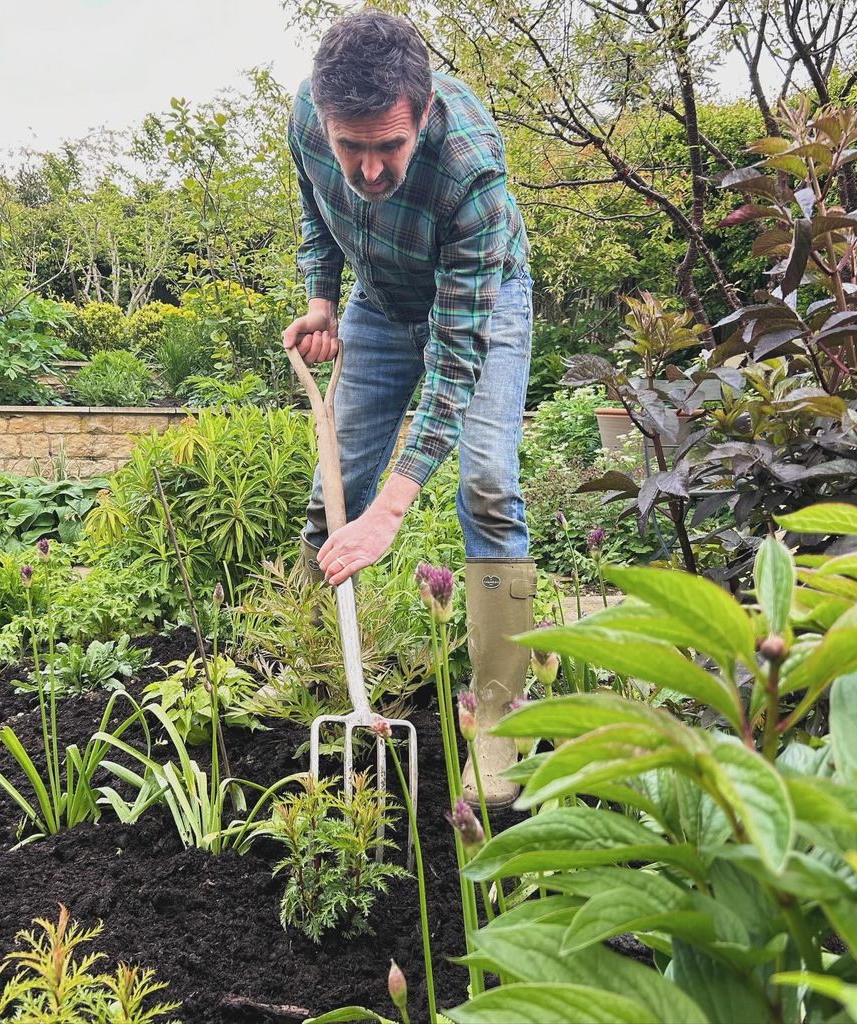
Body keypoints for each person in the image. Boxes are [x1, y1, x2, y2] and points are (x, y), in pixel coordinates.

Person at [282, 8, 535, 807]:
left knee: (487, 483)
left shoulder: (471, 173)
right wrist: (322, 300)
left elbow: (455, 364)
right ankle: (309, 659)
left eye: (386, 146)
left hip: (481, 302)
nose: (365, 169)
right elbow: (316, 209)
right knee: (336, 488)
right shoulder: (306, 117)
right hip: (379, 302)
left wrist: (395, 509)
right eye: (348, 146)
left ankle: (499, 713)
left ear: (423, 114)